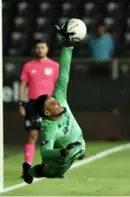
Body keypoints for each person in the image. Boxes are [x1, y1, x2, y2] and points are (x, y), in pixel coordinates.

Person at [22, 20, 86, 184]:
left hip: (77, 143)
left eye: (53, 99)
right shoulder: (48, 128)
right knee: (46, 170)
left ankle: (77, 151)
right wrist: (62, 153)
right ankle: (29, 171)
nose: (56, 102)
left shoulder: (60, 98)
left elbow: (64, 73)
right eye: (51, 104)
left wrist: (67, 45)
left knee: (79, 147)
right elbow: (45, 152)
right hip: (60, 162)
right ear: (48, 113)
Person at [19, 39, 59, 170]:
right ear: (35, 50)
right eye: (38, 47)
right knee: (32, 134)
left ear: (47, 49)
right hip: (32, 104)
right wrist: (21, 103)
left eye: (42, 47)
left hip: (49, 104)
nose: (40, 50)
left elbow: (59, 86)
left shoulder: (54, 66)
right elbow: (23, 85)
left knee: (49, 136)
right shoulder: (28, 66)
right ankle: (28, 164)